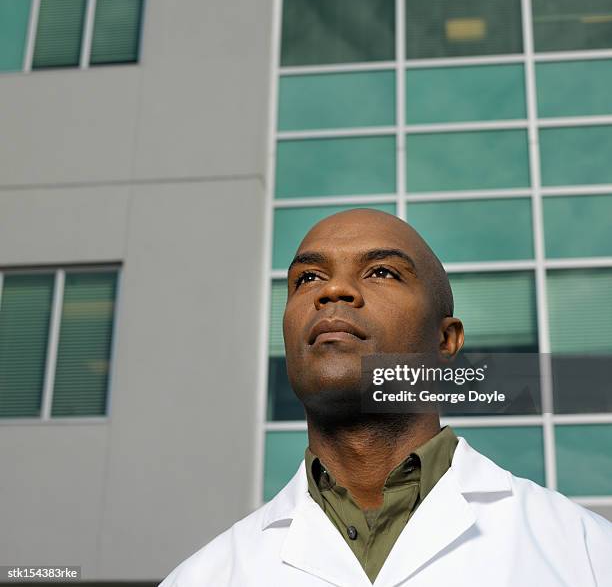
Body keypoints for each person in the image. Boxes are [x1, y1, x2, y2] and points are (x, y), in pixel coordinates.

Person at [160, 208, 612, 586]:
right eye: (308, 278)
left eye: (381, 271)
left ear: (445, 341)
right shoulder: (203, 578)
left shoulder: (588, 554)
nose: (332, 291)